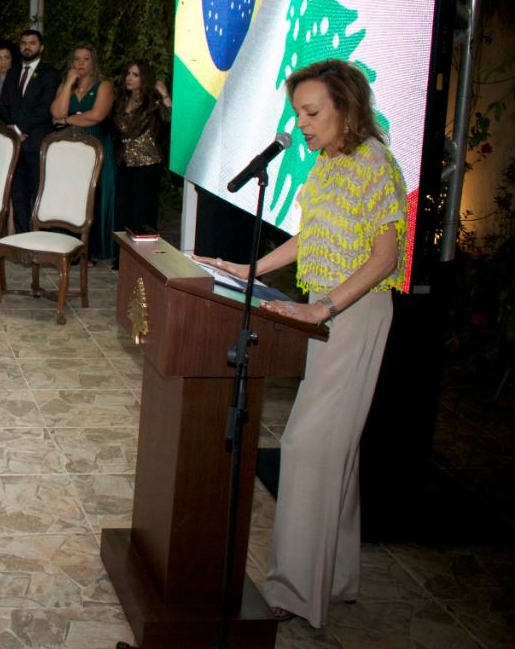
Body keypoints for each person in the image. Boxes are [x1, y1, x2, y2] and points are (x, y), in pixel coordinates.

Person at [203, 59, 407, 629]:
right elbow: (309, 238)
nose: (303, 124)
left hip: (354, 313)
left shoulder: (375, 164)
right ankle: (337, 578)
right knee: (333, 446)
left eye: (312, 112)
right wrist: (250, 269)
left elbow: (385, 257)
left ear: (347, 108)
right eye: (298, 114)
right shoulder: (327, 163)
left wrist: (324, 307)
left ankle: (293, 591)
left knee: (305, 444)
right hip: (328, 311)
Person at [52, 45, 116, 261]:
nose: (80, 63)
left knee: (94, 194)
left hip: (96, 144)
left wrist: (66, 120)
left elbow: (96, 115)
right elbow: (56, 113)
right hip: (70, 148)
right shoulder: (65, 86)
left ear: (93, 62)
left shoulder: (104, 86)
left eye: (86, 59)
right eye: (77, 59)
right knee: (71, 194)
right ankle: (70, 247)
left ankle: (93, 250)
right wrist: (69, 84)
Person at [0, 29, 59, 233]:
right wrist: (13, 130)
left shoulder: (50, 73)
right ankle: (22, 237)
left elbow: (46, 107)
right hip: (15, 145)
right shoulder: (13, 72)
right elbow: (3, 104)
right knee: (18, 194)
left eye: (32, 43)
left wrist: (20, 128)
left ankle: (39, 238)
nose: (27, 46)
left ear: (41, 47)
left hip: (36, 142)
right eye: (24, 42)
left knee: (38, 193)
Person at [112, 61, 171, 241]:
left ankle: (145, 251)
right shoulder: (122, 100)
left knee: (143, 210)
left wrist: (164, 94)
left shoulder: (152, 102)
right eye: (128, 74)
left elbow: (170, 118)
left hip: (148, 162)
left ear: (144, 78)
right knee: (123, 209)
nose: (129, 78)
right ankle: (121, 252)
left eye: (135, 75)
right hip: (125, 161)